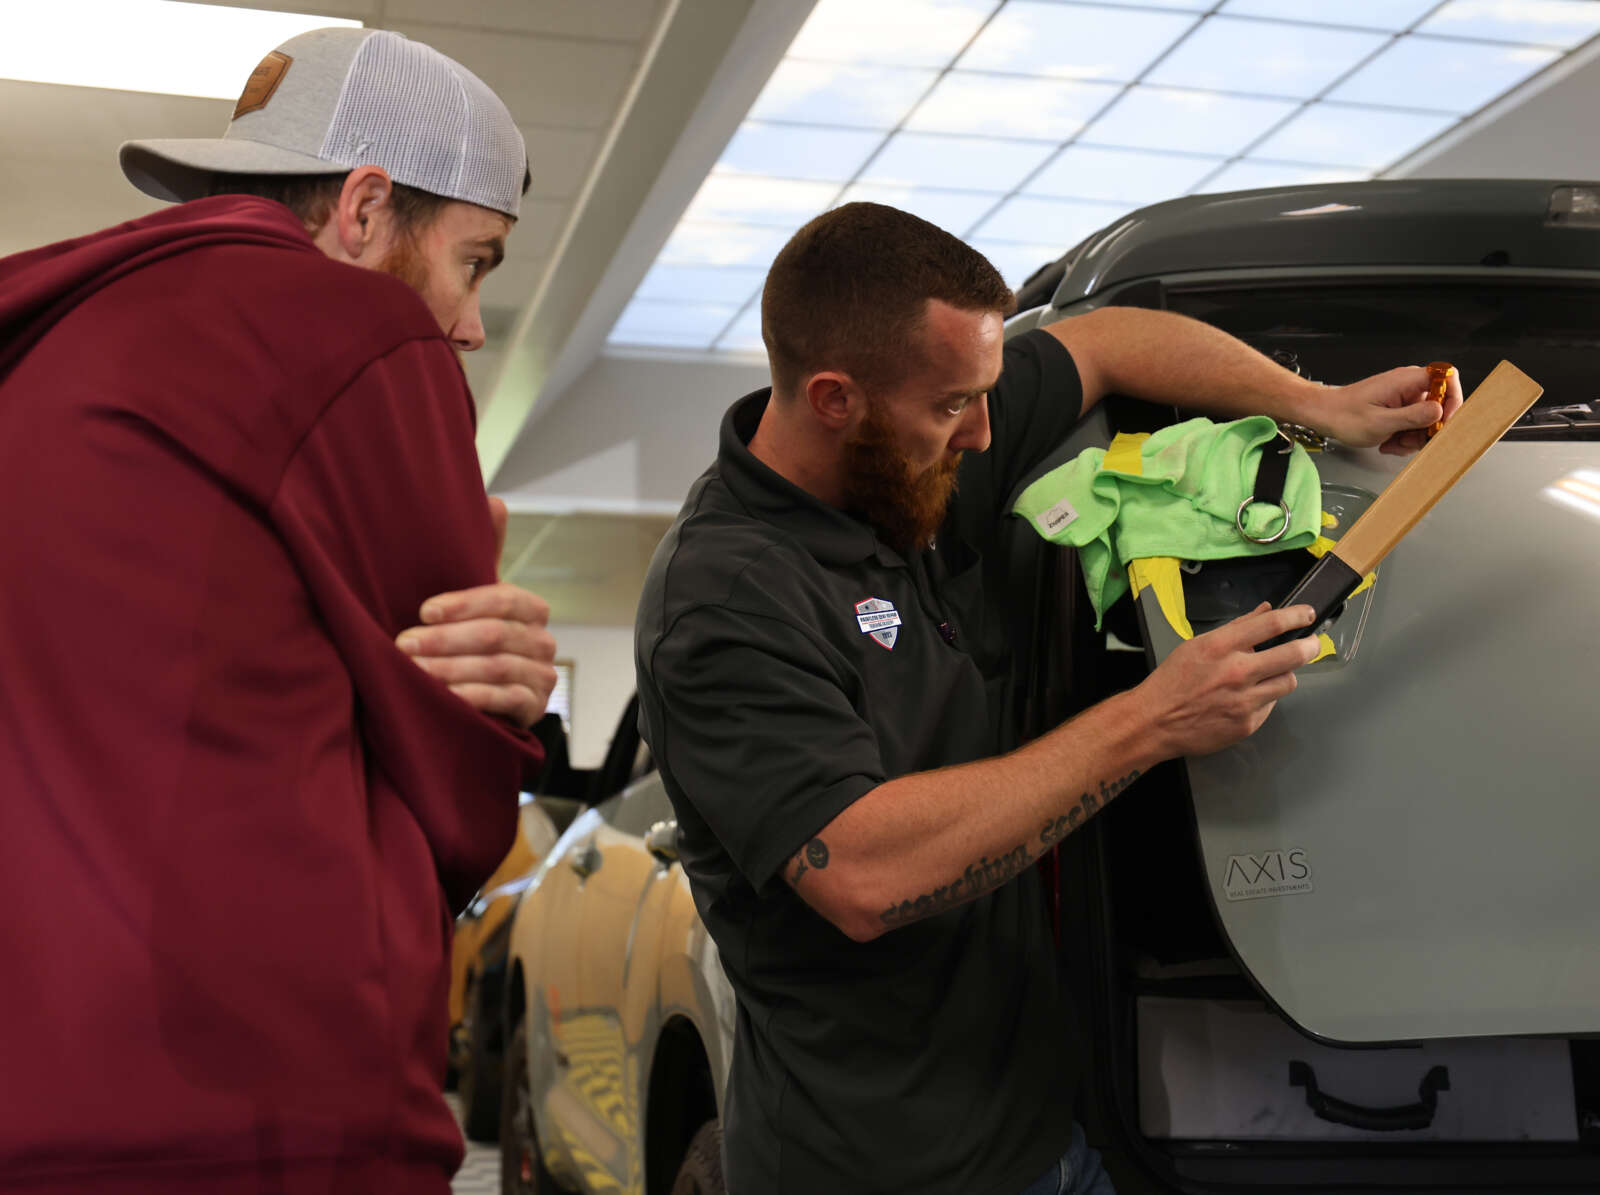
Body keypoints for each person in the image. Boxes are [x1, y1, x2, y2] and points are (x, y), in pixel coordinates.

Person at [634, 202, 1463, 1195]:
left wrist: (1317, 404)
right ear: (833, 399)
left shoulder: (915, 468)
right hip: (883, 1167)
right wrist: (1154, 719)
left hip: (1047, 1133)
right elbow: (860, 873)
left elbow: (1103, 343)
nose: (985, 433)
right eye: (952, 405)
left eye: (987, 394)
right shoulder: (726, 596)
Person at [0, 27, 558, 1194]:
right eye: (477, 261)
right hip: (254, 1095)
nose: (467, 324)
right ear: (364, 206)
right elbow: (462, 793)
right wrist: (503, 698)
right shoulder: (362, 332)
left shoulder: (43, 346)